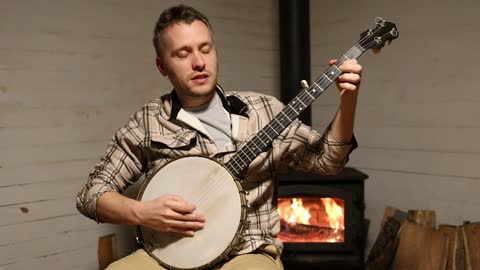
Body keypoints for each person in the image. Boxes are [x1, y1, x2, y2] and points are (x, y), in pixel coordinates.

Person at [77, 4, 362, 270]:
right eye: (183, 53)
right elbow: (91, 196)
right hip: (171, 253)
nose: (199, 62)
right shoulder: (148, 122)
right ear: (162, 66)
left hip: (247, 251)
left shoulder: (264, 110)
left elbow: (328, 162)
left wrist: (348, 100)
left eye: (206, 49)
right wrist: (142, 212)